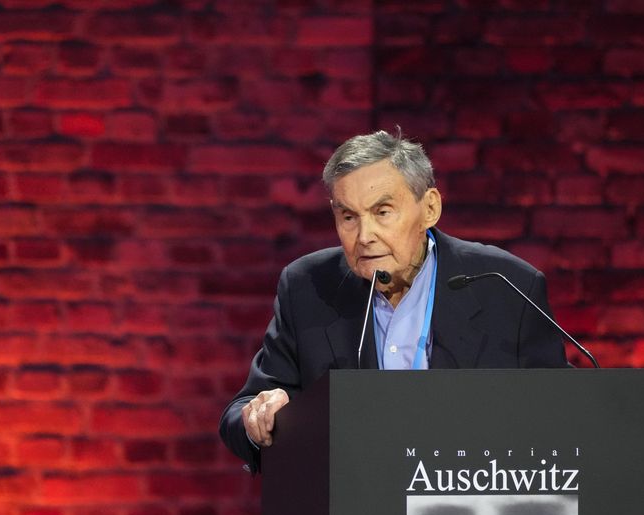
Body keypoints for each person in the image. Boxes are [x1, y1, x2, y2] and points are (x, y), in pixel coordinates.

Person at [219, 130, 568, 473]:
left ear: (429, 208)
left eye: (382, 212)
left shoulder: (506, 287)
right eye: (349, 217)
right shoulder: (307, 287)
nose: (365, 236)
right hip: (353, 512)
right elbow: (241, 412)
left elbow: (563, 416)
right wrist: (261, 418)